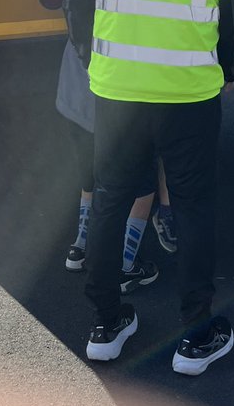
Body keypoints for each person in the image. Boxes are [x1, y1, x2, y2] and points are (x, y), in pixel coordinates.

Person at [63, 0, 234, 374]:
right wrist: (231, 70)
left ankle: (105, 324)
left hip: (117, 89)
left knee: (111, 198)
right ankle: (196, 335)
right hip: (190, 93)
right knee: (192, 207)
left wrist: (91, 56)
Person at [55, 40, 158, 290]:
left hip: (77, 90)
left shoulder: (83, 0)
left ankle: (80, 247)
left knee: (89, 173)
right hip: (122, 96)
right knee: (143, 183)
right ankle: (125, 266)